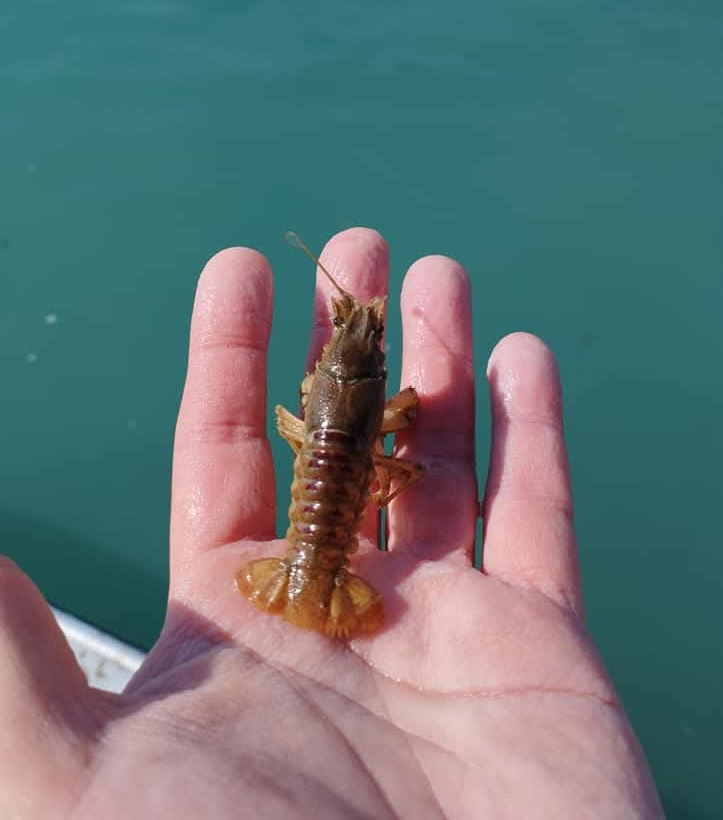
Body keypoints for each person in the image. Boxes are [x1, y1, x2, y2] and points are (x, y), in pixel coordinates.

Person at [0, 228, 663, 818]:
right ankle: (317, 571)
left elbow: (308, 413)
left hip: (305, 513)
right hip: (335, 515)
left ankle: (305, 568)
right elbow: (400, 417)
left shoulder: (310, 404)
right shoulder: (378, 396)